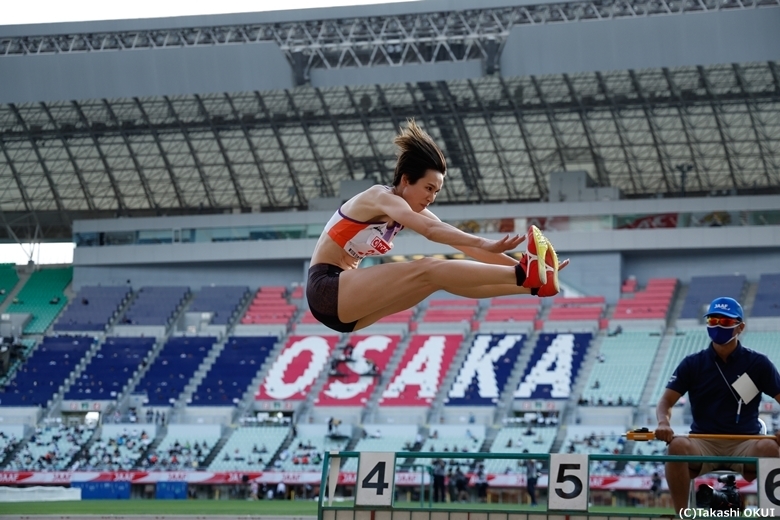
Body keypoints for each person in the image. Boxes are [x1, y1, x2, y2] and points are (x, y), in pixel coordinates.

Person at [306, 120, 568, 333]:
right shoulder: (380, 197)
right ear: (406, 180)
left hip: (349, 312)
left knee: (437, 279)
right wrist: (485, 242)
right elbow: (430, 232)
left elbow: (460, 242)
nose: (431, 197)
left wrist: (528, 268)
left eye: (437, 192)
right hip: (327, 288)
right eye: (428, 188)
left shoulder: (409, 209)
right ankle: (525, 276)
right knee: (427, 267)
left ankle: (532, 285)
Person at [655, 296, 780, 516]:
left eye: (724, 321)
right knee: (675, 447)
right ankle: (681, 514)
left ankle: (774, 513)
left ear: (740, 327)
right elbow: (666, 401)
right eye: (713, 320)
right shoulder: (692, 363)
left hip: (746, 443)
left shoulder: (759, 363)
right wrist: (663, 422)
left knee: (771, 449)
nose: (717, 326)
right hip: (702, 442)